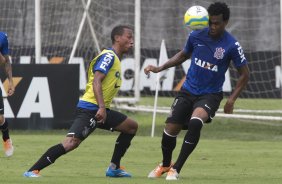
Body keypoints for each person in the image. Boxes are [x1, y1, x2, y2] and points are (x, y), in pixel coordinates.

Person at [144, 2, 249, 180]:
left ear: (226, 22)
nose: (213, 27)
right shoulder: (196, 35)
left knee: (195, 122)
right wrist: (161, 67)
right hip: (187, 90)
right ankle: (165, 164)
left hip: (210, 94)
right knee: (169, 130)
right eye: (211, 22)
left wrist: (231, 100)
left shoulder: (232, 45)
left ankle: (176, 169)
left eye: (217, 23)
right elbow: (183, 55)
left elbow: (245, 74)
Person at [24, 25, 138, 178]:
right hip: (90, 108)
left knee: (131, 127)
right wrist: (102, 107)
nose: (132, 41)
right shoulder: (109, 56)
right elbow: (97, 81)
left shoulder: (115, 59)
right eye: (129, 37)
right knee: (71, 143)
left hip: (100, 110)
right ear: (117, 38)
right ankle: (32, 170)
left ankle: (114, 168)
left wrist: (103, 109)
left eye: (132, 38)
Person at [0, 32, 15, 157]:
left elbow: (5, 60)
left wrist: (10, 82)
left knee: (0, 118)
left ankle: (6, 138)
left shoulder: (2, 37)